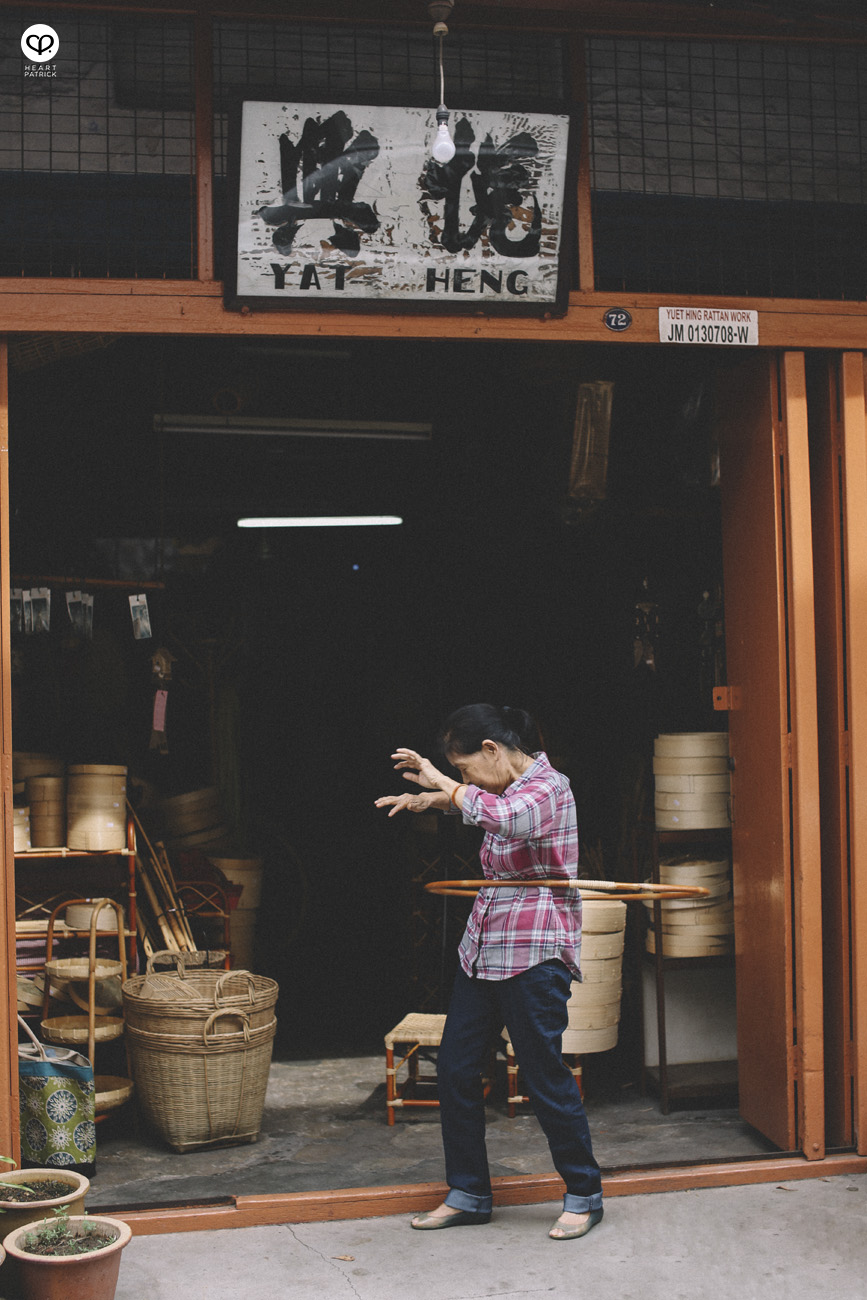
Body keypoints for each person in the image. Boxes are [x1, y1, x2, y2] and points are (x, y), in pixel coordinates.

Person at [375, 703, 603, 1241]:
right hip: (483, 951)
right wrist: (433, 799)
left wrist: (441, 782)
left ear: (493, 751)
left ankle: (583, 1193)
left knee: (544, 1074)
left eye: (465, 769)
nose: (464, 779)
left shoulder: (551, 788)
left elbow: (508, 817)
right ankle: (469, 1193)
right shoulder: (503, 787)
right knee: (456, 1070)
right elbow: (486, 805)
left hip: (533, 953)